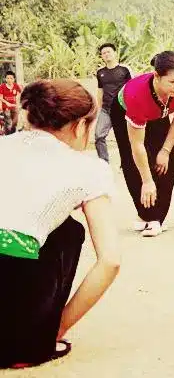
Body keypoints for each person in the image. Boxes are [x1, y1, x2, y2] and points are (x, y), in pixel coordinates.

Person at [0, 79, 120, 368]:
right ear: (80, 126)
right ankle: (36, 335)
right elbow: (111, 261)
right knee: (69, 232)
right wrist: (58, 328)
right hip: (14, 332)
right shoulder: (89, 169)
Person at [111, 51, 174, 237]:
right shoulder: (137, 96)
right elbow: (137, 145)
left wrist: (165, 150)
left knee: (165, 161)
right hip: (125, 110)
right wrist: (147, 181)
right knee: (135, 162)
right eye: (172, 82)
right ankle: (147, 216)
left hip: (159, 111)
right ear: (157, 76)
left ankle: (157, 218)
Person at [95, 43, 132, 163]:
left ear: (115, 53)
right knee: (99, 136)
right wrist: (98, 109)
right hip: (105, 110)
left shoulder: (124, 70)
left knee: (123, 139)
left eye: (108, 52)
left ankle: (126, 163)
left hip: (121, 109)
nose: (106, 54)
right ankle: (104, 162)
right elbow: (100, 91)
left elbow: (132, 89)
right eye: (103, 53)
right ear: (102, 56)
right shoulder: (100, 72)